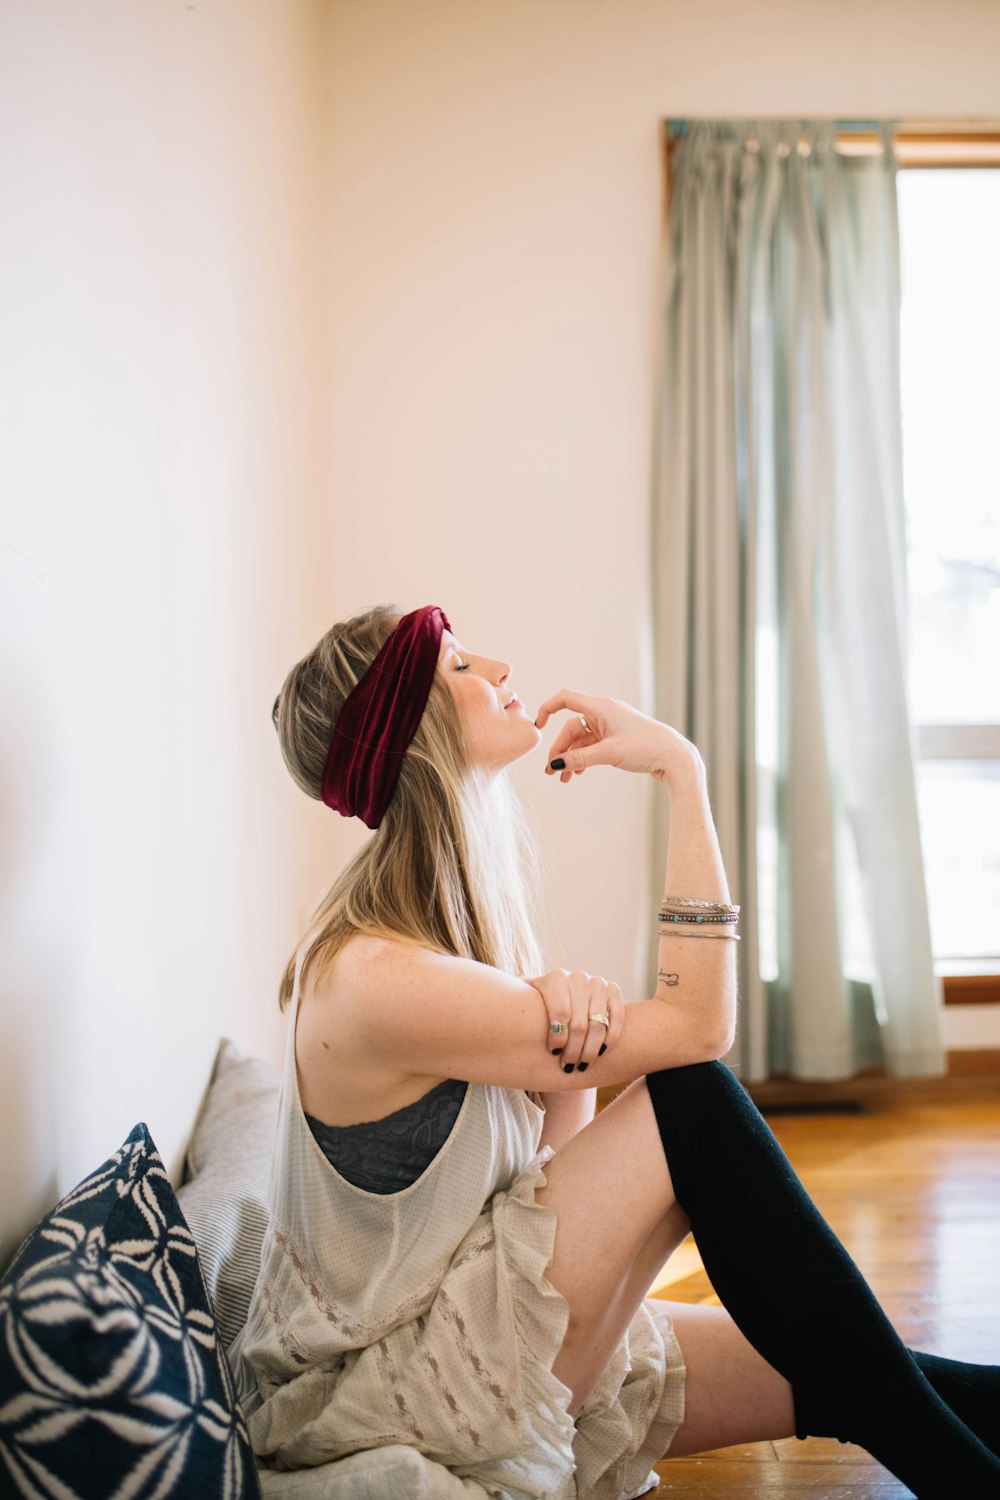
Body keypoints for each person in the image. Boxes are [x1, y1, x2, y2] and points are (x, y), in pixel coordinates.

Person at [232, 603, 1000, 1500]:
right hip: (397, 1386)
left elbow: (543, 1181)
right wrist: (683, 772)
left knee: (872, 1373)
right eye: (455, 665)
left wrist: (567, 1055)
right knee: (695, 1102)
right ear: (414, 727)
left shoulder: (448, 940)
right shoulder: (372, 975)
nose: (497, 662)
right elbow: (695, 1032)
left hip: (475, 1313)